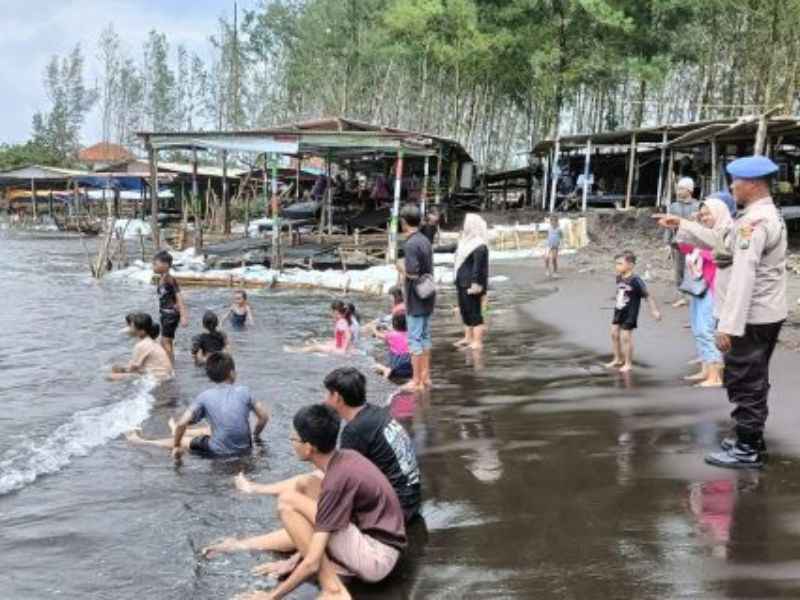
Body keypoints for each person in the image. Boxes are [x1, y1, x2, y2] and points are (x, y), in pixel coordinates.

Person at [654, 156, 787, 469]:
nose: (732, 187)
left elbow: (744, 275)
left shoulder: (756, 221)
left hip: (752, 317)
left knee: (745, 381)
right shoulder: (755, 215)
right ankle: (749, 437)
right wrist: (684, 224)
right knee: (751, 379)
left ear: (752, 184)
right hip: (763, 314)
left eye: (735, 182)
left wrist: (728, 326)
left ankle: (747, 449)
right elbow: (723, 243)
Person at [210, 405, 406, 599]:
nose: (291, 442)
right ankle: (243, 544)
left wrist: (271, 596)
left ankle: (333, 590)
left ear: (308, 447)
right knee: (307, 489)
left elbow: (313, 560)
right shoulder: (345, 459)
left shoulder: (335, 483)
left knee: (288, 502)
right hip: (378, 545)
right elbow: (316, 529)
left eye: (293, 438)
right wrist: (292, 562)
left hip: (376, 558)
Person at [126, 352, 270, 460]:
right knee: (213, 428)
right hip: (245, 449)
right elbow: (263, 417)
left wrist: (177, 446)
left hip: (218, 451)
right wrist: (255, 435)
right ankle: (176, 431)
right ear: (232, 373)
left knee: (182, 440)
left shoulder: (205, 396)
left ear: (210, 376)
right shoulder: (244, 391)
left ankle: (141, 442)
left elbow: (183, 422)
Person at [680, 198, 733, 387]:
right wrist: (692, 225)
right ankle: (705, 369)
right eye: (702, 214)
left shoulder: (728, 231)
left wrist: (701, 252)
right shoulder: (704, 234)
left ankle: (715, 375)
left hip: (714, 287)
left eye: (707, 213)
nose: (704, 217)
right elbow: (684, 247)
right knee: (697, 327)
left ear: (718, 213)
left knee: (707, 330)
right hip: (698, 285)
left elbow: (726, 256)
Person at [604, 251, 662, 372]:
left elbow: (647, 296)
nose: (617, 266)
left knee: (626, 337)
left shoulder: (636, 280)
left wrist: (654, 311)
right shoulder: (619, 277)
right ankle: (617, 358)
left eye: (620, 264)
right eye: (616, 264)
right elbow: (620, 291)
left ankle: (628, 363)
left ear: (630, 265)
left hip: (630, 312)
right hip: (619, 309)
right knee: (614, 334)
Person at [399, 204, 435, 391]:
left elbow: (412, 273)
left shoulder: (411, 243)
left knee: (414, 340)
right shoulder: (425, 240)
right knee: (425, 336)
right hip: (428, 294)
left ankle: (416, 381)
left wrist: (400, 268)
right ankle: (425, 377)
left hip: (416, 297)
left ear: (404, 222)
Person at [453, 213, 489, 350]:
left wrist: (476, 284)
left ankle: (477, 341)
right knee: (465, 311)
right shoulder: (465, 242)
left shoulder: (479, 245)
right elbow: (454, 250)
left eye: (467, 224)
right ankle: (468, 338)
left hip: (472, 284)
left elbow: (478, 267)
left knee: (475, 312)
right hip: (462, 281)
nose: (464, 226)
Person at [665, 178, 699, 307]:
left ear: (690, 190)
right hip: (678, 243)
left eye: (681, 189)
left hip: (694, 243)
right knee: (678, 269)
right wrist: (667, 243)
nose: (678, 191)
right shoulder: (674, 206)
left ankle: (693, 295)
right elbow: (668, 226)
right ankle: (682, 295)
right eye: (678, 188)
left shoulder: (698, 206)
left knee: (692, 268)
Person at [111, 313, 174, 382]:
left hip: (158, 377)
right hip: (166, 374)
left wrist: (122, 369)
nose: (129, 329)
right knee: (117, 369)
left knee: (110, 377)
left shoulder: (141, 345)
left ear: (141, 331)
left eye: (132, 327)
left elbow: (133, 368)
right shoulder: (151, 341)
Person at [152, 250, 188, 362]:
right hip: (166, 314)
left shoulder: (169, 279)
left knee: (165, 341)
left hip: (170, 315)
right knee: (166, 341)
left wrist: (183, 316)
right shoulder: (162, 278)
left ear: (165, 265)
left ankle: (170, 366)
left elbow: (179, 297)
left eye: (155, 264)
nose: (153, 267)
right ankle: (171, 364)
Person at [287, 300, 352, 354]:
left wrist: (344, 350)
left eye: (331, 311)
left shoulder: (341, 322)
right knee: (315, 342)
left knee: (315, 347)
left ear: (335, 311)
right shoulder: (341, 321)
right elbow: (342, 337)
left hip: (338, 349)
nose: (330, 313)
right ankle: (297, 349)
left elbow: (348, 336)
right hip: (337, 346)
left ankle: (296, 351)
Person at [372, 312, 413, 380]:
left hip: (396, 368)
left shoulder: (391, 335)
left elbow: (378, 335)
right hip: (410, 368)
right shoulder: (411, 334)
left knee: (375, 366)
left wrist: (373, 327)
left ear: (394, 324)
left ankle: (386, 370)